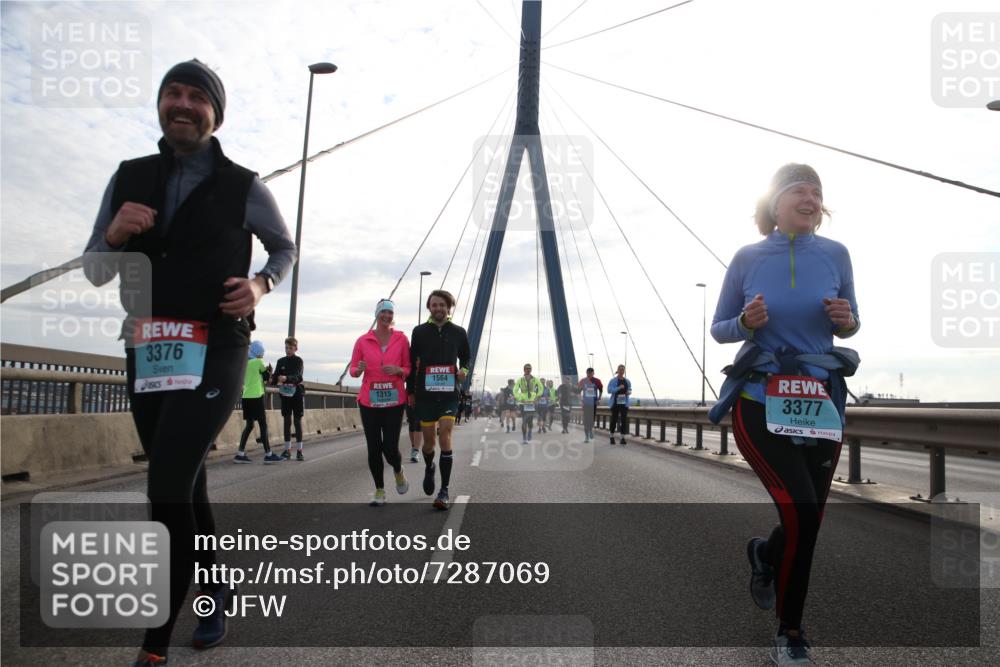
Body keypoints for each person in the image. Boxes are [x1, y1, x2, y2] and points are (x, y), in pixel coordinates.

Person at [81, 59, 296, 667]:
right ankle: (216, 592)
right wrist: (116, 236)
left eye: (196, 96)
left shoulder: (245, 185)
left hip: (219, 346)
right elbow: (96, 269)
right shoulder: (129, 176)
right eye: (171, 92)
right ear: (160, 104)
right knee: (186, 482)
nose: (182, 103)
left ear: (214, 114)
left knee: (166, 484)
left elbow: (284, 247)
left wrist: (260, 286)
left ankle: (154, 641)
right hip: (148, 347)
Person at [708, 163, 860, 666]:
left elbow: (851, 322)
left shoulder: (837, 254)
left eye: (818, 191)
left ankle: (766, 555)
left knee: (808, 519)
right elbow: (719, 328)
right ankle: (790, 632)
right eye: (800, 189)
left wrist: (848, 320)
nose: (811, 197)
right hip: (760, 402)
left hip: (820, 404)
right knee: (801, 514)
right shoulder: (747, 257)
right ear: (775, 203)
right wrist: (745, 322)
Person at [408, 290, 470, 510]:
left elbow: (466, 358)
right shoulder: (419, 332)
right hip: (425, 395)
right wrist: (410, 392)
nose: (438, 309)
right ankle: (429, 467)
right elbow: (410, 361)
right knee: (428, 443)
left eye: (442, 305)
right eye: (434, 305)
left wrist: (463, 370)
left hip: (449, 394)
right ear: (429, 308)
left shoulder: (459, 332)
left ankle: (444, 490)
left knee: (445, 434)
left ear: (449, 307)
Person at [349, 299, 410, 506]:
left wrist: (399, 370)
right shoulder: (362, 341)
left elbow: (409, 367)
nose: (387, 316)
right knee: (374, 447)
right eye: (383, 312)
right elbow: (354, 371)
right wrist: (359, 369)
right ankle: (379, 490)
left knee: (390, 447)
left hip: (394, 401)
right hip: (369, 401)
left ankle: (398, 470)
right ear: (376, 314)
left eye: (390, 312)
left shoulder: (401, 339)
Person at [235, 341, 283, 463]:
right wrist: (269, 371)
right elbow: (267, 378)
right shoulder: (258, 362)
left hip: (246, 397)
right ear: (259, 353)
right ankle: (268, 454)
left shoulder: (244, 362)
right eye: (262, 353)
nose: (262, 356)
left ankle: (240, 453)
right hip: (257, 396)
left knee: (249, 425)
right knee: (263, 425)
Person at [272, 336, 305, 460]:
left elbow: (298, 377)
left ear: (295, 348)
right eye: (286, 348)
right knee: (287, 421)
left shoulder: (298, 361)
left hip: (296, 394)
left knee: (297, 421)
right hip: (285, 395)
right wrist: (271, 378)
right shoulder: (281, 361)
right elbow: (275, 377)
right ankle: (287, 450)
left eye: (290, 348)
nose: (288, 350)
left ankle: (300, 450)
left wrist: (286, 378)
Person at [513, 363, 543, 443]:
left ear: (531, 369)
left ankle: (530, 430)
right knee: (524, 420)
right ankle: (524, 438)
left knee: (530, 421)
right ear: (524, 370)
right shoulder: (520, 380)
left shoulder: (535, 379)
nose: (528, 370)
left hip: (532, 403)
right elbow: (515, 391)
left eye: (529, 368)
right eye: (526, 368)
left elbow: (541, 388)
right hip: (523, 403)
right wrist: (520, 398)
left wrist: (537, 397)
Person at [607, 365, 632, 445]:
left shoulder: (627, 381)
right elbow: (609, 390)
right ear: (617, 370)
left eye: (623, 370)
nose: (621, 371)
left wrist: (629, 392)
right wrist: (618, 388)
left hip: (624, 403)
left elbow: (630, 389)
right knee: (614, 420)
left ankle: (622, 438)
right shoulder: (613, 380)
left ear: (624, 371)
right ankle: (611, 436)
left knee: (624, 421)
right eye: (620, 369)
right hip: (615, 403)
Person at [577, 368, 603, 443]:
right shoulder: (583, 381)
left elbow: (601, 390)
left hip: (593, 403)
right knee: (586, 420)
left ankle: (590, 429)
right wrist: (580, 400)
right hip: (585, 404)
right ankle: (586, 436)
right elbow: (578, 391)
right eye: (588, 373)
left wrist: (599, 399)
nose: (589, 375)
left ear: (593, 373)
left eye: (591, 373)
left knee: (591, 419)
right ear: (586, 373)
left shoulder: (597, 381)